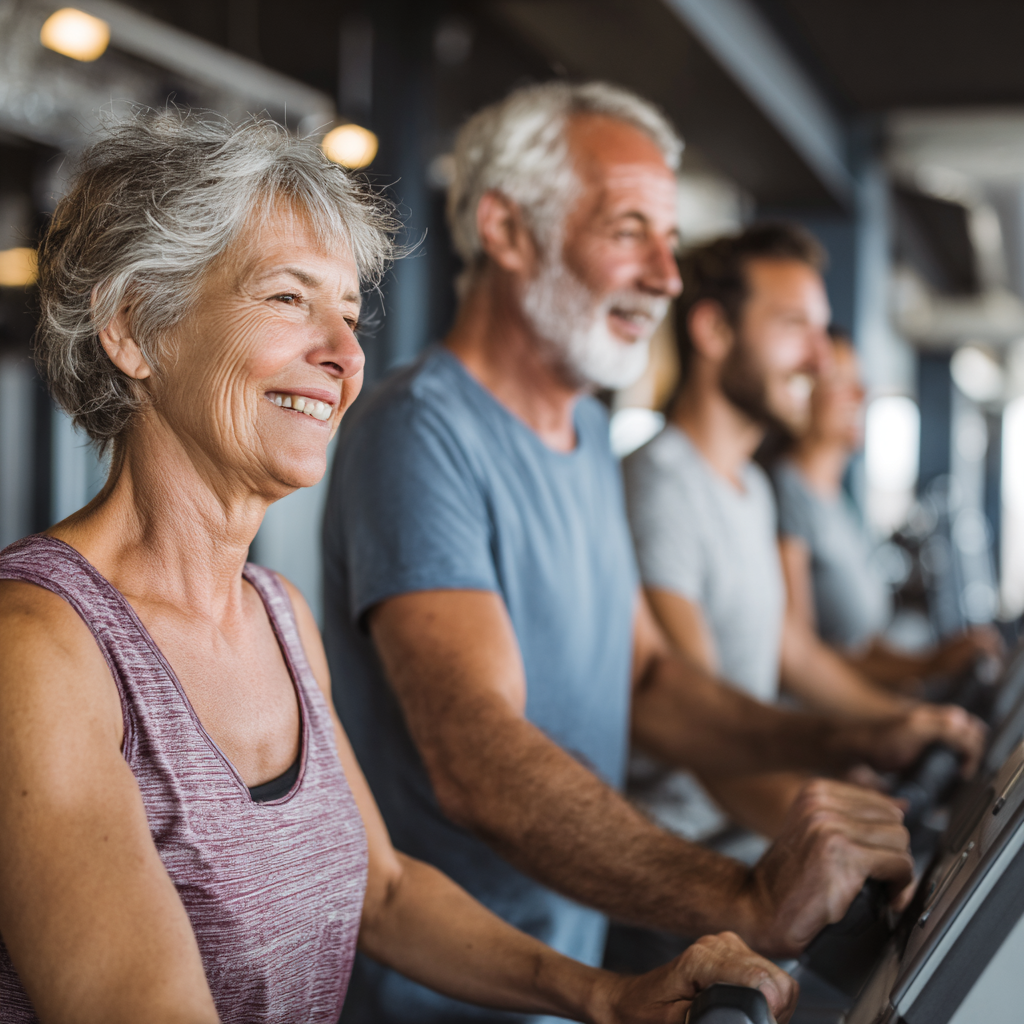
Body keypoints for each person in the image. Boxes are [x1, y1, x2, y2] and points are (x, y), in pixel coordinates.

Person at [0, 113, 801, 1024]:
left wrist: (608, 997)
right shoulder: (39, 649)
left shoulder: (274, 612)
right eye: (287, 299)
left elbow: (381, 891)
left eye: (348, 313)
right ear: (136, 327)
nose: (345, 357)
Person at [322, 81, 983, 1024]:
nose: (668, 277)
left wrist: (850, 736)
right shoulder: (419, 431)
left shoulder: (588, 430)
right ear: (507, 233)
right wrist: (743, 895)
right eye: (630, 230)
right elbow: (477, 757)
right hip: (449, 990)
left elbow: (649, 685)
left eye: (670, 241)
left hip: (581, 966)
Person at [622, 226, 986, 849]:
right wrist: (833, 822)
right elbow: (699, 726)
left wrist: (902, 720)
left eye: (823, 333)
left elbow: (794, 650)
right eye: (795, 327)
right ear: (713, 332)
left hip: (740, 825)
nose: (821, 361)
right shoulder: (659, 486)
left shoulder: (750, 490)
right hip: (680, 846)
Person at [774, 328, 1001, 691]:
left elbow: (863, 644)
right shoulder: (786, 492)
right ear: (802, 392)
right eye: (841, 381)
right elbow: (801, 657)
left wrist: (935, 661)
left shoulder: (837, 501)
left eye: (860, 382)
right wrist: (927, 668)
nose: (861, 394)